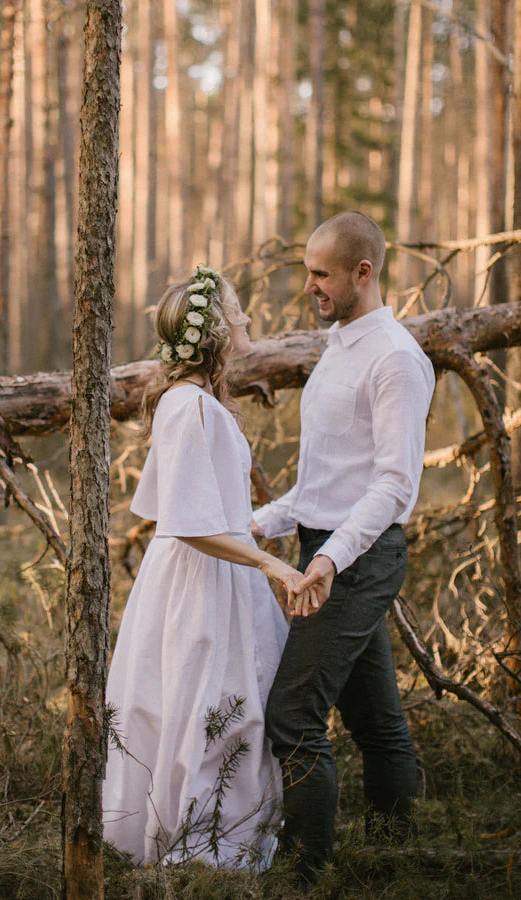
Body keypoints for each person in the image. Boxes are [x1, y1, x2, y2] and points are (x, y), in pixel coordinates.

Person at [102, 266, 319, 871]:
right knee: (210, 710)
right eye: (237, 309)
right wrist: (274, 567)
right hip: (201, 578)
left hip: (220, 570)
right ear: (216, 330)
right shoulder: (188, 406)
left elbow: (215, 509)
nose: (247, 317)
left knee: (227, 709)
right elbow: (190, 525)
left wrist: (270, 528)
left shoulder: (193, 403)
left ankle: (225, 839)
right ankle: (202, 851)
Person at [252, 212, 435, 880]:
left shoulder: (395, 359)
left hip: (360, 556)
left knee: (293, 713)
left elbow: (392, 486)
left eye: (322, 274)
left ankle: (307, 871)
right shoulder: (339, 343)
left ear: (365, 272)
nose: (311, 286)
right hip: (324, 548)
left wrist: (328, 561)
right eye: (308, 271)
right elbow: (322, 480)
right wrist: (255, 525)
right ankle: (393, 852)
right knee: (375, 717)